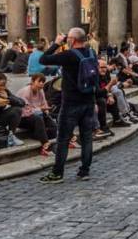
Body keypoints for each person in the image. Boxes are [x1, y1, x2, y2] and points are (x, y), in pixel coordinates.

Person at [39, 28, 99, 183]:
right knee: (86, 138)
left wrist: (56, 44)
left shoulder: (69, 55)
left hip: (71, 103)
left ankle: (57, 173)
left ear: (72, 40)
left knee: (63, 139)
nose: (67, 40)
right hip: (88, 101)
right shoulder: (92, 53)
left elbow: (44, 60)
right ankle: (84, 171)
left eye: (68, 38)